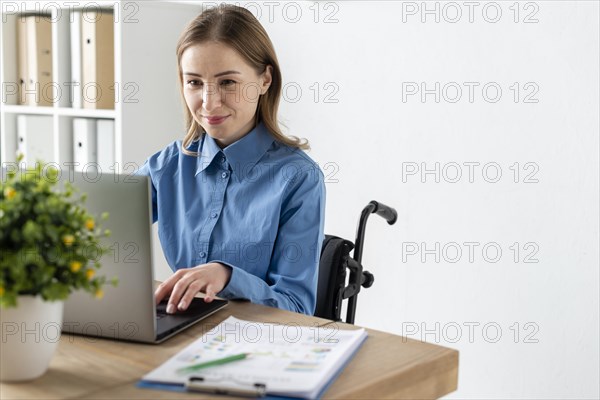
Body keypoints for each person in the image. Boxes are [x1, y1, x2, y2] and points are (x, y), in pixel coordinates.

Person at [137, 4, 326, 316]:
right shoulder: (167, 165)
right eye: (195, 82)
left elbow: (297, 307)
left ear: (265, 80)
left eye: (227, 82)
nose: (209, 102)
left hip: (258, 345)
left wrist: (227, 277)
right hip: (182, 331)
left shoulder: (299, 178)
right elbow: (96, 230)